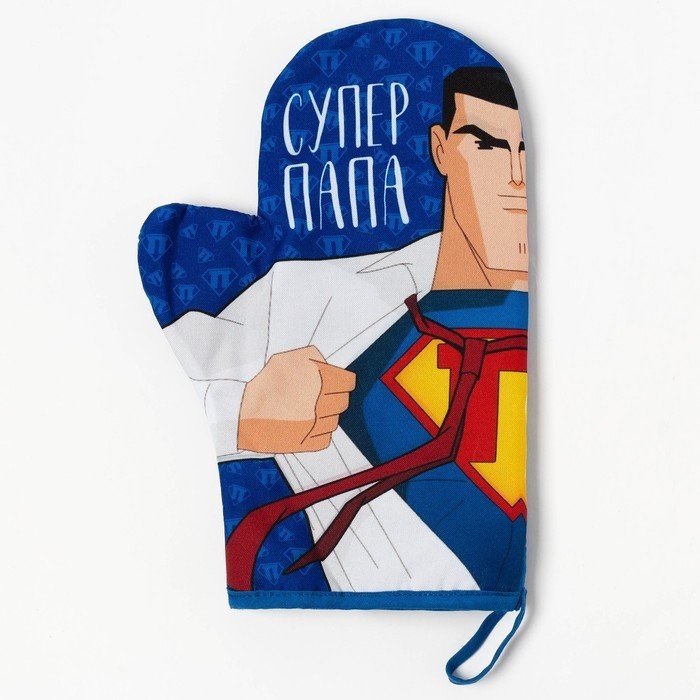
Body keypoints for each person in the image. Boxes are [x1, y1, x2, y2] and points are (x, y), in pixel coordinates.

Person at [164, 66, 528, 593]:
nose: (516, 175)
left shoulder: (573, 325)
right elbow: (180, 371)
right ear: (441, 149)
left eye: (524, 151)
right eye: (486, 145)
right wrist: (243, 413)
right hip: (306, 622)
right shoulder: (305, 301)